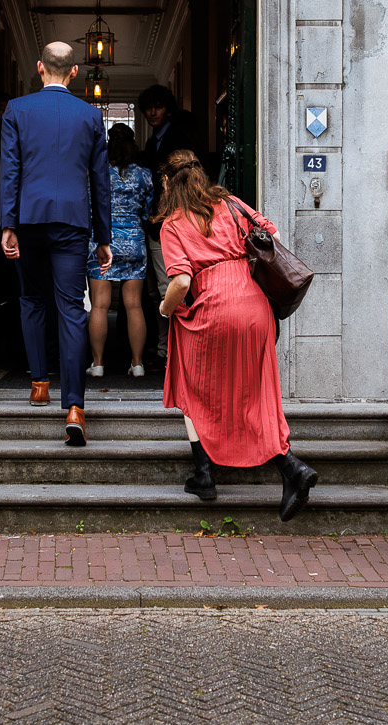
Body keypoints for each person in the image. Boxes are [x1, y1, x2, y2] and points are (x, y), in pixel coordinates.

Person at [154, 149, 319, 520]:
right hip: (256, 306)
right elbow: (271, 235)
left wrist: (165, 309)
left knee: (189, 382)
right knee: (257, 392)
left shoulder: (172, 224)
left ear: (167, 182)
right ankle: (291, 468)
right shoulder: (229, 203)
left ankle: (204, 473)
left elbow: (181, 281)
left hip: (214, 307)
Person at [0, 41, 113, 446]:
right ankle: (75, 407)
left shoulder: (17, 110)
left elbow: (10, 170)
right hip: (72, 222)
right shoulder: (90, 115)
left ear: (39, 67)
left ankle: (38, 385)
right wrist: (103, 236)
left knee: (31, 300)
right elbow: (100, 180)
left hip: (29, 218)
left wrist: (7, 224)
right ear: (74, 72)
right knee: (71, 309)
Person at [137, 84, 201, 359]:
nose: (153, 112)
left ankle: (176, 351)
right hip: (155, 223)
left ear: (169, 110)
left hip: (171, 223)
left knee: (169, 288)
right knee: (156, 292)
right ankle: (165, 348)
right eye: (148, 108)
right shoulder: (153, 141)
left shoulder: (178, 139)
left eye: (158, 107)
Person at [90, 123, 152, 379]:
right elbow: (148, 212)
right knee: (134, 305)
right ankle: (137, 364)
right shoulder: (145, 175)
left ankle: (98, 364)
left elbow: (89, 208)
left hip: (103, 241)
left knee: (99, 305)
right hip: (135, 241)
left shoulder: (97, 174)